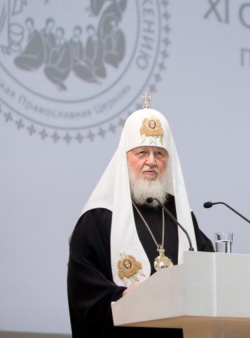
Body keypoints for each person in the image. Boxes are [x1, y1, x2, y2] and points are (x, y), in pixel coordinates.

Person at [67, 101, 214, 337]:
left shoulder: (180, 216)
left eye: (159, 153)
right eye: (142, 152)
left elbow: (209, 271)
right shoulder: (98, 217)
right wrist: (120, 295)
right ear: (125, 158)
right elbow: (83, 288)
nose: (152, 161)